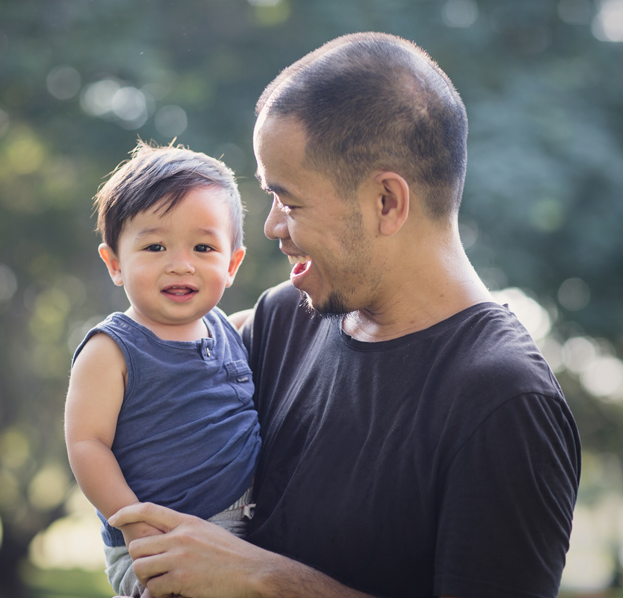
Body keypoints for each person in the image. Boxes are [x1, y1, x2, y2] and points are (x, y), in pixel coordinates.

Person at [107, 32, 581, 598]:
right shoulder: (284, 320)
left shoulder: (504, 404)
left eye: (290, 201)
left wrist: (264, 580)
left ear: (386, 202)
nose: (271, 227)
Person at [63, 143, 260, 597]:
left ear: (232, 264)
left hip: (247, 527)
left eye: (203, 246)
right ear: (114, 263)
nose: (180, 263)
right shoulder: (112, 349)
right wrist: (135, 523)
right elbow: (87, 444)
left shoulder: (227, 329)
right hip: (159, 538)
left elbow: (277, 308)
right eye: (154, 245)